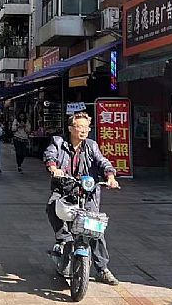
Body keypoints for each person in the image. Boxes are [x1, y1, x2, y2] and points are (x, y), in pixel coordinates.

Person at [43, 111, 121, 285]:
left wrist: (110, 176)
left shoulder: (91, 145)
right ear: (71, 128)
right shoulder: (58, 142)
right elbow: (50, 155)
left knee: (95, 229)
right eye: (80, 127)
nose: (84, 130)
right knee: (52, 207)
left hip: (88, 192)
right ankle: (63, 239)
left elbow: (102, 161)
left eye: (87, 127)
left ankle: (102, 269)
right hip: (64, 189)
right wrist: (54, 168)